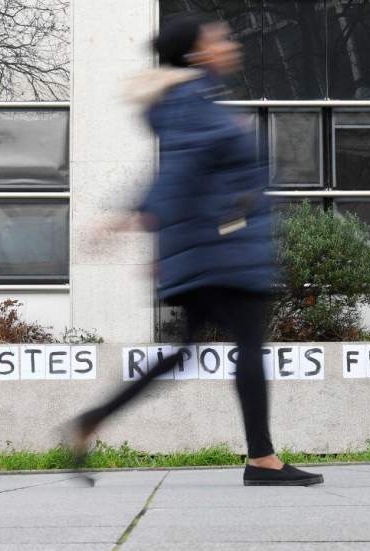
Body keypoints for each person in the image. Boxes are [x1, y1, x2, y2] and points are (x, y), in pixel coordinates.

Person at [69, 16, 323, 487]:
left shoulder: (199, 99)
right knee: (247, 345)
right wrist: (139, 217)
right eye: (219, 39)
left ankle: (93, 420)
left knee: (183, 352)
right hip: (222, 249)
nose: (230, 44)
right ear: (194, 54)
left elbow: (201, 170)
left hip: (211, 246)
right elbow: (178, 172)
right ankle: (262, 460)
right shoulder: (191, 101)